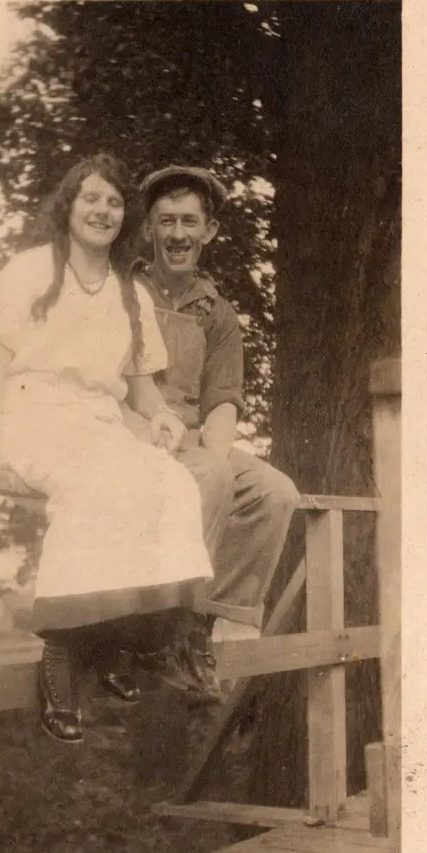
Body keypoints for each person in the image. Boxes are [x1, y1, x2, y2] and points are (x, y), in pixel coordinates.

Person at [0, 154, 213, 745]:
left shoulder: (130, 293)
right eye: (91, 199)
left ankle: (121, 639)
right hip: (34, 413)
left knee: (171, 484)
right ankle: (60, 652)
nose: (103, 211)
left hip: (100, 422)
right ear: (70, 205)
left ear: (125, 216)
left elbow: (140, 386)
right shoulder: (31, 270)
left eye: (114, 202)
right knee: (93, 486)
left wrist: (161, 418)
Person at [112, 164, 300, 698]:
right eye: (166, 221)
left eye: (189, 222)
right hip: (128, 430)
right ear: (149, 229)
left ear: (209, 231)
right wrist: (159, 438)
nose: (178, 235)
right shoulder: (121, 294)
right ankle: (160, 629)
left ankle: (204, 623)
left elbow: (222, 404)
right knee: (206, 474)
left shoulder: (218, 313)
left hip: (190, 441)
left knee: (274, 492)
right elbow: (109, 385)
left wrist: (211, 453)